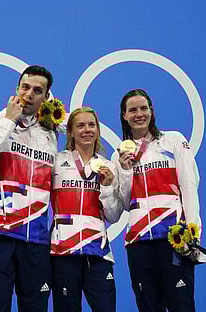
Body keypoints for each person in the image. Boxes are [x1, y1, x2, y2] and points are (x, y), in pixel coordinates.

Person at [0, 65, 57, 312]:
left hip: (37, 237)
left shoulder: (49, 133)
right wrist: (9, 120)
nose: (29, 94)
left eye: (37, 91)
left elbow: (82, 126)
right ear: (16, 88)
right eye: (25, 87)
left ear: (46, 97)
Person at [115, 89, 202, 312]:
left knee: (181, 305)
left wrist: (193, 232)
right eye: (132, 110)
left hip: (173, 236)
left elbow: (189, 186)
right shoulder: (119, 155)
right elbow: (125, 203)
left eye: (143, 108)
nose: (139, 114)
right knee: (148, 307)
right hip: (139, 240)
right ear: (124, 115)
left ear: (152, 111)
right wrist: (125, 171)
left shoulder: (174, 140)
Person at [50, 107, 122, 312]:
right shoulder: (56, 162)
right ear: (70, 131)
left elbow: (113, 215)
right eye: (80, 126)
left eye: (92, 125)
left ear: (98, 130)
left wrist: (107, 186)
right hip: (63, 250)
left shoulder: (108, 166)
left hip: (98, 252)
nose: (87, 130)